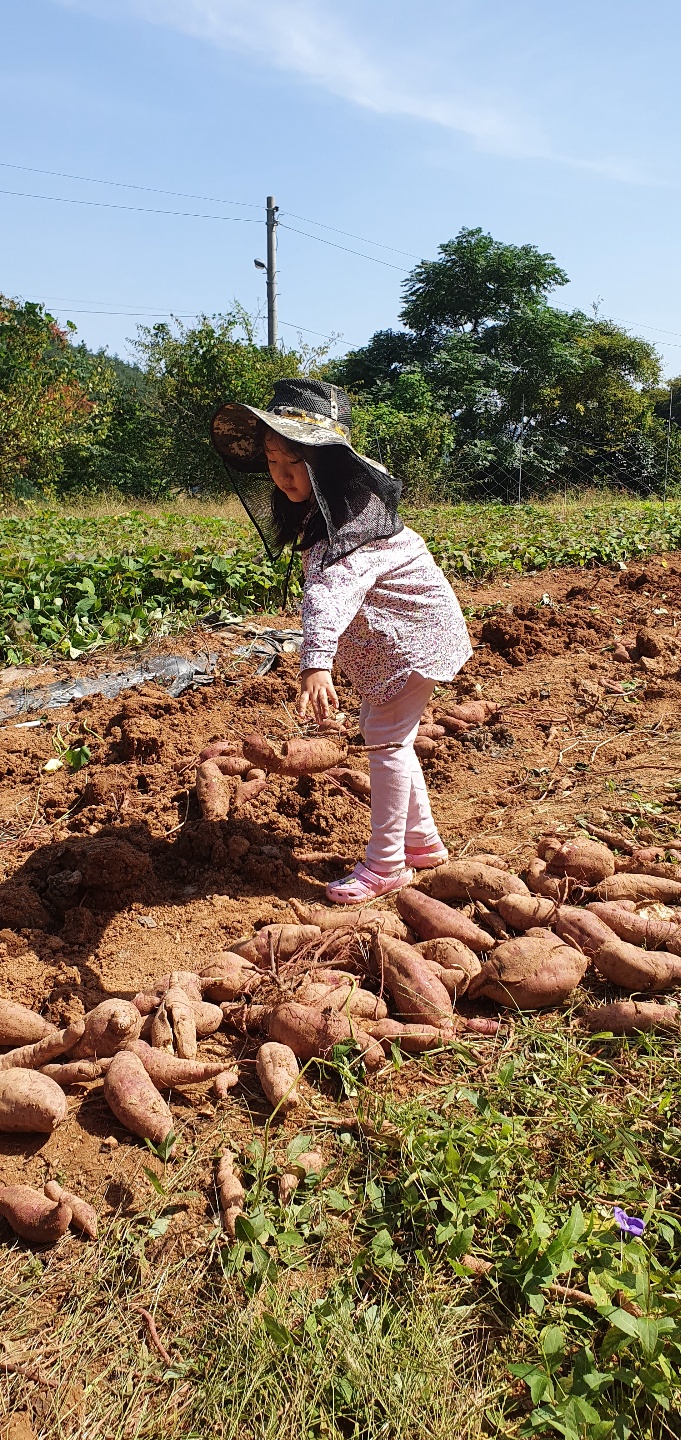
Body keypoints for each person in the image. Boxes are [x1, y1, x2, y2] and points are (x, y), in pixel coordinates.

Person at [210, 379, 472, 905]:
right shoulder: (332, 514)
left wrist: (316, 664)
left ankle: (386, 866)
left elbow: (329, 594)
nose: (282, 476)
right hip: (400, 647)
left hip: (414, 646)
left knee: (386, 739)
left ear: (327, 463)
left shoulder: (352, 525)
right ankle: (422, 845)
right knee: (388, 734)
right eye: (273, 460)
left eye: (295, 463)